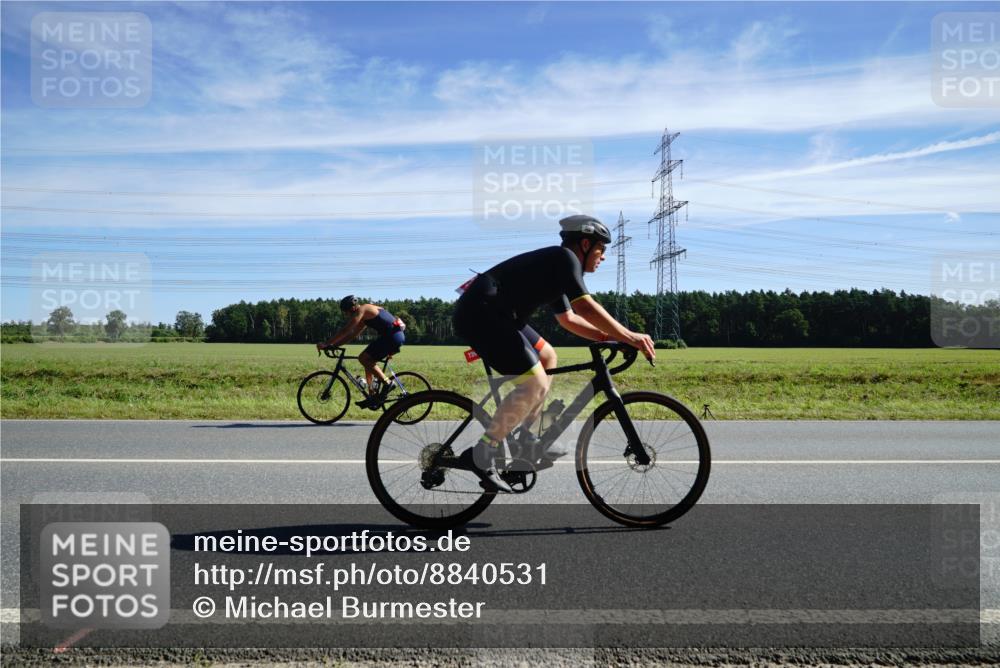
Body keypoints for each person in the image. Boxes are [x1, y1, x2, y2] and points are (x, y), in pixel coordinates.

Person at [453, 214, 655, 492]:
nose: (603, 257)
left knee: (548, 357)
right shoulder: (564, 259)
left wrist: (609, 338)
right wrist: (629, 337)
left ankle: (527, 436)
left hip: (501, 316)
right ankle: (483, 453)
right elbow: (586, 308)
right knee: (533, 383)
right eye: (601, 250)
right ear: (585, 244)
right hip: (481, 314)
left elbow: (569, 319)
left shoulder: (557, 268)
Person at [317, 296, 406, 409]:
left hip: (392, 337)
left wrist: (326, 343)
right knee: (367, 360)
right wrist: (334, 345)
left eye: (346, 312)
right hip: (392, 336)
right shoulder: (365, 315)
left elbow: (346, 330)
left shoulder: (363, 309)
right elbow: (352, 335)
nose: (346, 315)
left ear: (352, 308)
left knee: (363, 358)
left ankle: (388, 383)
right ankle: (372, 395)